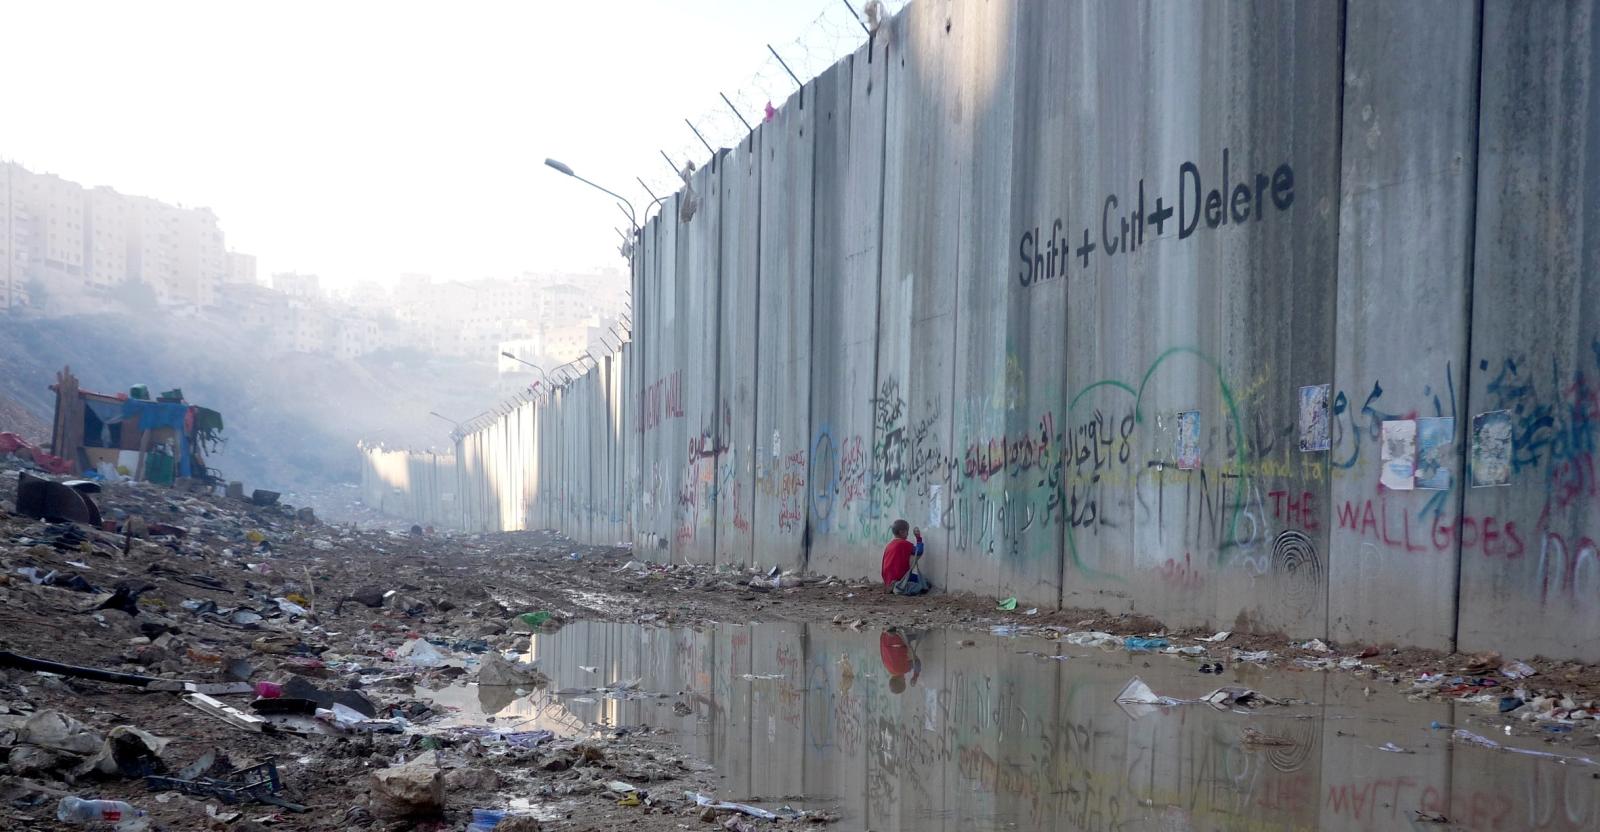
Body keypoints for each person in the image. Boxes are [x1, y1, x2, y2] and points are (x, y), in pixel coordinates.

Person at [881, 519, 930, 595]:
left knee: (919, 580)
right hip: (899, 579)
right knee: (924, 584)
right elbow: (919, 551)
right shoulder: (903, 543)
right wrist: (918, 538)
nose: (908, 533)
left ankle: (894, 587)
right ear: (902, 532)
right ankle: (898, 587)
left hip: (888, 580)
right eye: (907, 531)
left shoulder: (889, 545)